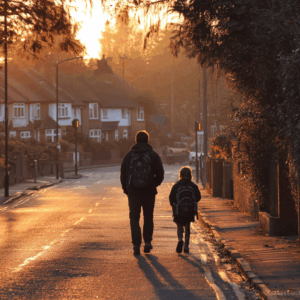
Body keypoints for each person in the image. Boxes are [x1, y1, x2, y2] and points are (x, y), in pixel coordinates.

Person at [120, 130, 164, 255]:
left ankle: (136, 244)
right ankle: (148, 242)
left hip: (133, 191)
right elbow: (160, 174)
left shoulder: (129, 156)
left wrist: (126, 189)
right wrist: (153, 184)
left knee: (134, 217)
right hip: (149, 191)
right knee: (148, 216)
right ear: (147, 140)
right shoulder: (153, 155)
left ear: (136, 140)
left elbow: (123, 174)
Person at [169, 166, 201, 253]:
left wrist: (174, 205)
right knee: (187, 228)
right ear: (190, 175)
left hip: (179, 210)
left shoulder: (176, 186)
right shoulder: (193, 186)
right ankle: (186, 246)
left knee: (179, 226)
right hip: (189, 210)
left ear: (180, 175)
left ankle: (180, 240)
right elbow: (198, 197)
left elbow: (171, 198)